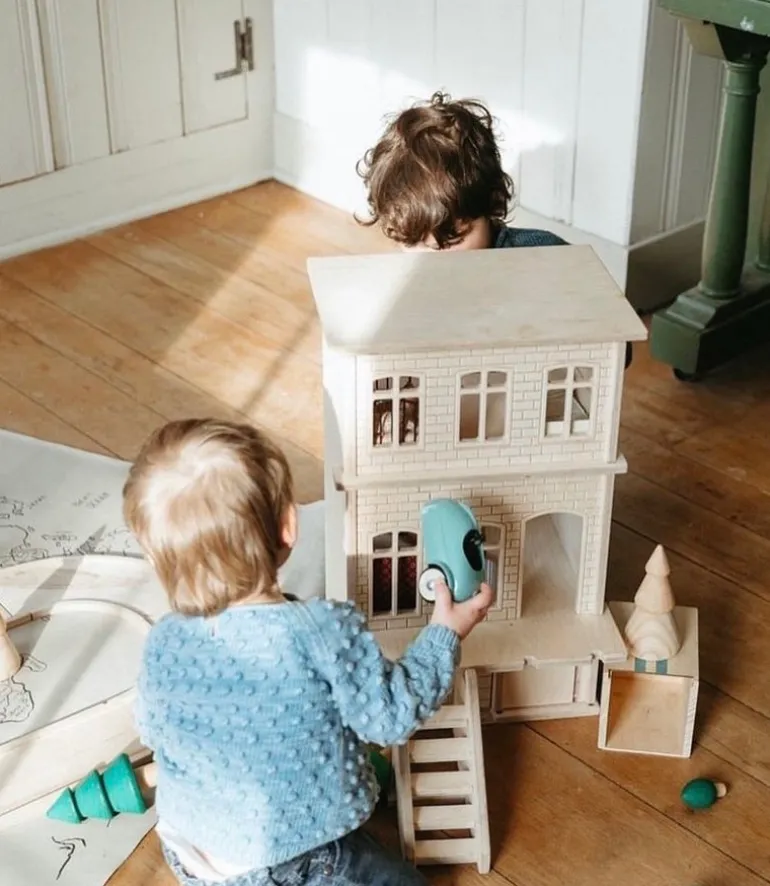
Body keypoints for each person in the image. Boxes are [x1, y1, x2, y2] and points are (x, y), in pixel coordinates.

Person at [123, 418, 494, 886]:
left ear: (155, 557)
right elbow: (392, 716)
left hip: (192, 851)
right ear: (289, 525)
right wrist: (445, 631)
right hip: (295, 859)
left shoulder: (163, 641)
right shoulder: (324, 630)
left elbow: (153, 729)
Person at [357, 91, 633, 368]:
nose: (433, 262)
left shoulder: (543, 256)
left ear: (493, 204)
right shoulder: (401, 287)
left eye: (453, 239)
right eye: (413, 242)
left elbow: (621, 350)